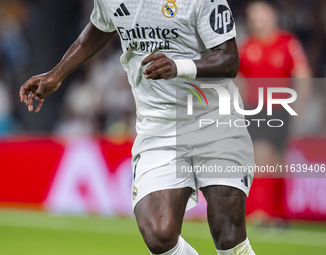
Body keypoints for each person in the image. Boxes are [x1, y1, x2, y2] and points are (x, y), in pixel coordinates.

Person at [20, 0, 256, 254]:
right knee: (159, 235)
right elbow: (100, 26)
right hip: (158, 126)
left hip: (215, 120)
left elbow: (230, 60)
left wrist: (179, 67)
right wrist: (57, 73)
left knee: (227, 233)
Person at [238, 1, 311, 221]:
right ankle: (259, 211)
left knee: (278, 161)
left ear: (272, 16)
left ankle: (278, 213)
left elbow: (301, 72)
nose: (257, 18)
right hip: (256, 110)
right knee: (261, 157)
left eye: (261, 13)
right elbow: (239, 80)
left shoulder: (287, 42)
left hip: (282, 110)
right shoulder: (246, 46)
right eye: (254, 14)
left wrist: (301, 103)